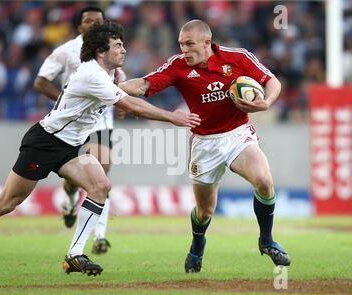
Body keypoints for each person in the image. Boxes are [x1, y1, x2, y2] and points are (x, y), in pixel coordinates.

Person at [0, 21, 201, 280]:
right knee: (7, 202)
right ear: (101, 51)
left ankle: (74, 254)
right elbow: (133, 105)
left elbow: (125, 94)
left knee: (100, 186)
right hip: (45, 142)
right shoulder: (91, 74)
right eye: (118, 45)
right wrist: (172, 116)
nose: (124, 50)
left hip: (72, 146)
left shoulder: (106, 75)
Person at [119, 20, 291, 273]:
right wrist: (113, 89)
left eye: (189, 44)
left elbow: (272, 81)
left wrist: (266, 102)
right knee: (204, 211)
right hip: (204, 143)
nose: (184, 50)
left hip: (237, 134)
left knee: (263, 180)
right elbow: (144, 84)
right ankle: (197, 245)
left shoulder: (237, 58)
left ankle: (266, 240)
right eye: (181, 44)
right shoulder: (178, 66)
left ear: (206, 43)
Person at [33, 6, 121, 254]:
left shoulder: (111, 49)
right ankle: (71, 199)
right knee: (75, 181)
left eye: (98, 21)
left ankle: (99, 237)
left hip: (101, 122)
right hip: (71, 124)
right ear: (80, 26)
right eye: (88, 20)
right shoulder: (65, 52)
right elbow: (40, 81)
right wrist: (64, 98)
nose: (93, 24)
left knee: (101, 172)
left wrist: (122, 102)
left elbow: (118, 79)